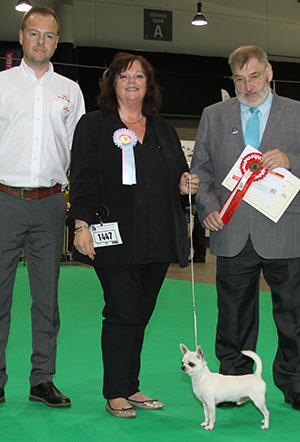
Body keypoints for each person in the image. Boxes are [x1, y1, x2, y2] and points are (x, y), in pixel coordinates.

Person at [67, 52, 199, 418]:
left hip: (157, 238)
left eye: (139, 77)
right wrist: (81, 225)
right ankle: (115, 391)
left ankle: (132, 386)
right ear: (111, 82)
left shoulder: (164, 130)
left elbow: (179, 179)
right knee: (122, 311)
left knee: (140, 313)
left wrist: (187, 184)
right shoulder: (93, 126)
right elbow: (82, 180)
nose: (131, 82)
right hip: (113, 237)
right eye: (123, 76)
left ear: (148, 85)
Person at [191, 45, 300, 410]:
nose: (248, 85)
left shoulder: (297, 112)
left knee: (293, 314)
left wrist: (291, 159)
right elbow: (201, 170)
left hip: (285, 230)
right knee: (233, 315)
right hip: (231, 230)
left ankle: (294, 381)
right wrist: (206, 206)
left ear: (269, 72)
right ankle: (234, 381)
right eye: (239, 79)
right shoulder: (213, 115)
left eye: (254, 76)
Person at [0, 6, 85, 407]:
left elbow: (76, 151)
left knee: (47, 300)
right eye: (34, 34)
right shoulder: (1, 84)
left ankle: (42, 379)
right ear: (20, 37)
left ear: (56, 40)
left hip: (50, 204)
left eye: (49, 36)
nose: (41, 42)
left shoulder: (70, 90)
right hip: (4, 200)